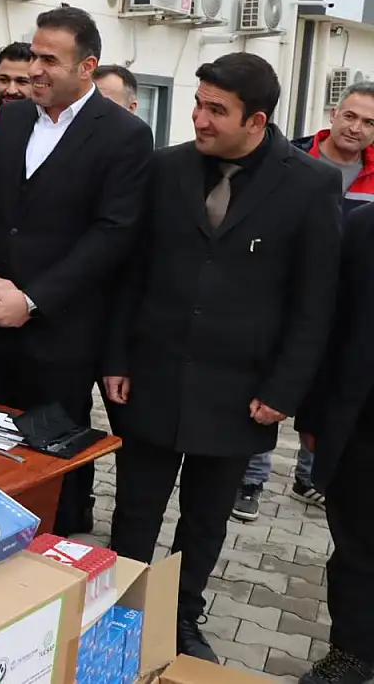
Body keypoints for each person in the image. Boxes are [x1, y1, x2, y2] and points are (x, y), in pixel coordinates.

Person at [105, 52, 341, 663]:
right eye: (198, 103)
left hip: (241, 392)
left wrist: (284, 389)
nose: (199, 118)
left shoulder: (310, 184)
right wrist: (116, 357)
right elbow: (131, 273)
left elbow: (314, 303)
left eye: (217, 109)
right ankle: (121, 611)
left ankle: (181, 617)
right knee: (135, 508)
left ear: (256, 120)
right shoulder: (167, 168)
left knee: (205, 519)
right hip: (152, 375)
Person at [0, 7, 153, 536]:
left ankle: (48, 550)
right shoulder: (14, 118)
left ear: (87, 67)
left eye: (49, 60)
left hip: (58, 338)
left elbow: (111, 235)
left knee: (51, 466)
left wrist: (32, 299)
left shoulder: (125, 136)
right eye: (33, 55)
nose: (34, 69)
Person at [233, 81, 374, 521]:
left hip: (349, 307)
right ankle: (251, 479)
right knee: (271, 389)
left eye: (369, 122)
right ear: (333, 113)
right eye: (350, 116)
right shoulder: (291, 160)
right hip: (287, 299)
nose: (356, 127)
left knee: (332, 392)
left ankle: (312, 476)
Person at [296, 201, 374, 684]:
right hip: (362, 427)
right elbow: (328, 325)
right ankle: (353, 651)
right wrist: (313, 414)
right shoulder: (364, 227)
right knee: (357, 549)